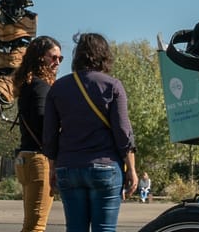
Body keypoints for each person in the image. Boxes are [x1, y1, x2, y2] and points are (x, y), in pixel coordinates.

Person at [44, 33, 137, 232]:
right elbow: (123, 133)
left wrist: (52, 168)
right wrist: (132, 170)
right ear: (104, 56)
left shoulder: (58, 88)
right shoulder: (112, 86)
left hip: (68, 167)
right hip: (105, 167)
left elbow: (50, 136)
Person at [12, 35, 63, 232]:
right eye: (54, 57)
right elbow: (44, 126)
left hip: (25, 158)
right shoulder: (40, 87)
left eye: (60, 59)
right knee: (36, 227)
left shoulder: (27, 84)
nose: (57, 62)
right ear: (41, 57)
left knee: (31, 224)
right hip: (38, 161)